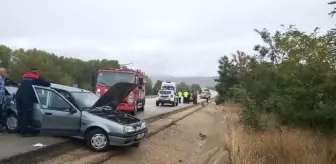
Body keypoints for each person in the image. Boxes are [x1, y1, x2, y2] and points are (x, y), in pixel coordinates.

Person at [16, 68, 51, 137]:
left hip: (18, 96)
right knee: (26, 114)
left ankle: (20, 129)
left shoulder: (25, 76)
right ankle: (24, 132)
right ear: (37, 72)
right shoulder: (37, 77)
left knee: (20, 113)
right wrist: (51, 82)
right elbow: (47, 84)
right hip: (27, 97)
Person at [0, 68, 7, 132]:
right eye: (5, 72)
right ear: (1, 73)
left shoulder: (3, 79)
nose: (6, 74)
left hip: (1, 100)